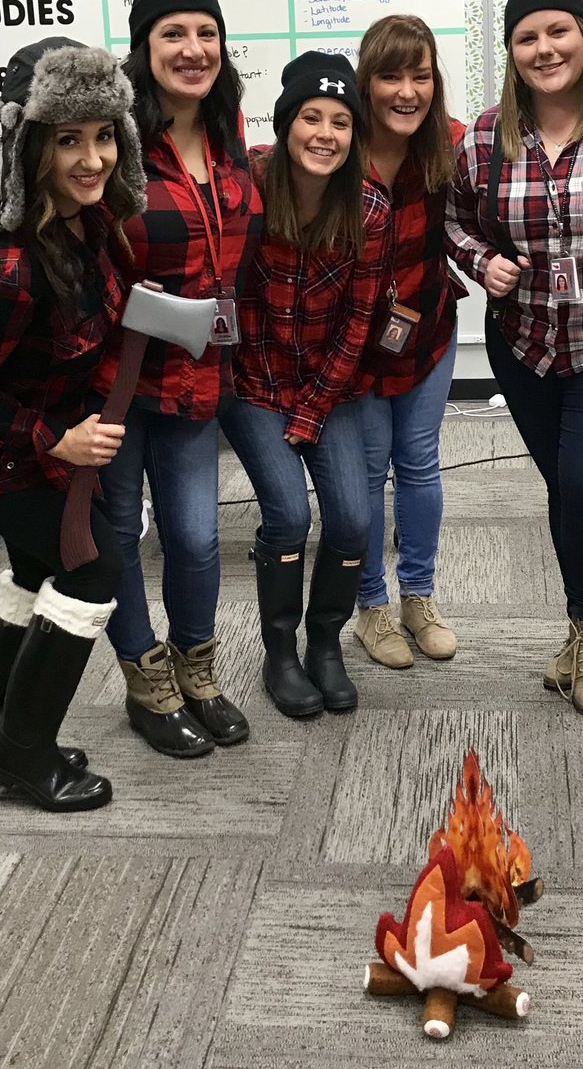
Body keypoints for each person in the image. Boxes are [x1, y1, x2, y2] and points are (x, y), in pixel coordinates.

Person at [0, 39, 146, 811]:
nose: (91, 158)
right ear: (30, 145)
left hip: (10, 432)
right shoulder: (11, 267)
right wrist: (57, 442)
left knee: (41, 568)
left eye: (103, 135)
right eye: (67, 139)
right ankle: (23, 756)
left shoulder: (86, 223)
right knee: (91, 567)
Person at [445, 0, 583, 716]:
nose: (544, 48)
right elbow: (453, 220)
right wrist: (480, 262)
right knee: (563, 487)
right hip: (523, 342)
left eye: (557, 30)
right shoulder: (483, 138)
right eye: (526, 36)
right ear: (510, 51)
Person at [89, 0, 263, 758]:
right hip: (118, 385)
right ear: (143, 46)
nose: (193, 47)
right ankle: (146, 682)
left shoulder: (229, 143)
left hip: (198, 379)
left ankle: (198, 671)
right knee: (120, 535)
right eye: (173, 34)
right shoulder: (113, 145)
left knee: (195, 538)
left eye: (206, 32)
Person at [219, 52, 391, 718]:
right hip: (253, 384)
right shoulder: (250, 188)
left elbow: (359, 324)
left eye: (341, 122)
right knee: (288, 514)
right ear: (287, 124)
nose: (325, 133)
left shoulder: (368, 208)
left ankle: (326, 645)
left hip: (331, 385)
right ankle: (280, 651)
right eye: (311, 118)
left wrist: (314, 408)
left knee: (352, 520)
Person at [352, 14, 466, 670]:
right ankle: (370, 605)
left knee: (419, 461)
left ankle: (417, 597)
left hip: (427, 328)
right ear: (366, 82)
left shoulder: (447, 146)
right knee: (369, 472)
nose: (405, 90)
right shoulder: (338, 148)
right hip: (357, 344)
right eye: (390, 75)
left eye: (418, 75)